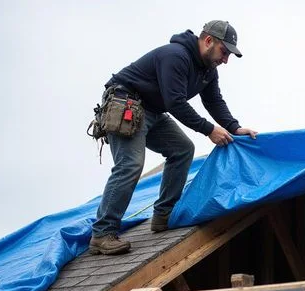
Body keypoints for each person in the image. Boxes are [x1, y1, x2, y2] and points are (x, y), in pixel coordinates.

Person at [89, 20, 257, 255]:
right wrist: (209, 129)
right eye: (224, 51)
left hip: (153, 110)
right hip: (126, 102)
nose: (226, 59)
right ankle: (102, 233)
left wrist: (234, 127)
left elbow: (213, 101)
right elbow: (175, 103)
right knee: (131, 164)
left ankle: (163, 215)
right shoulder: (176, 56)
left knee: (182, 149)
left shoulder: (208, 70)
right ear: (208, 41)